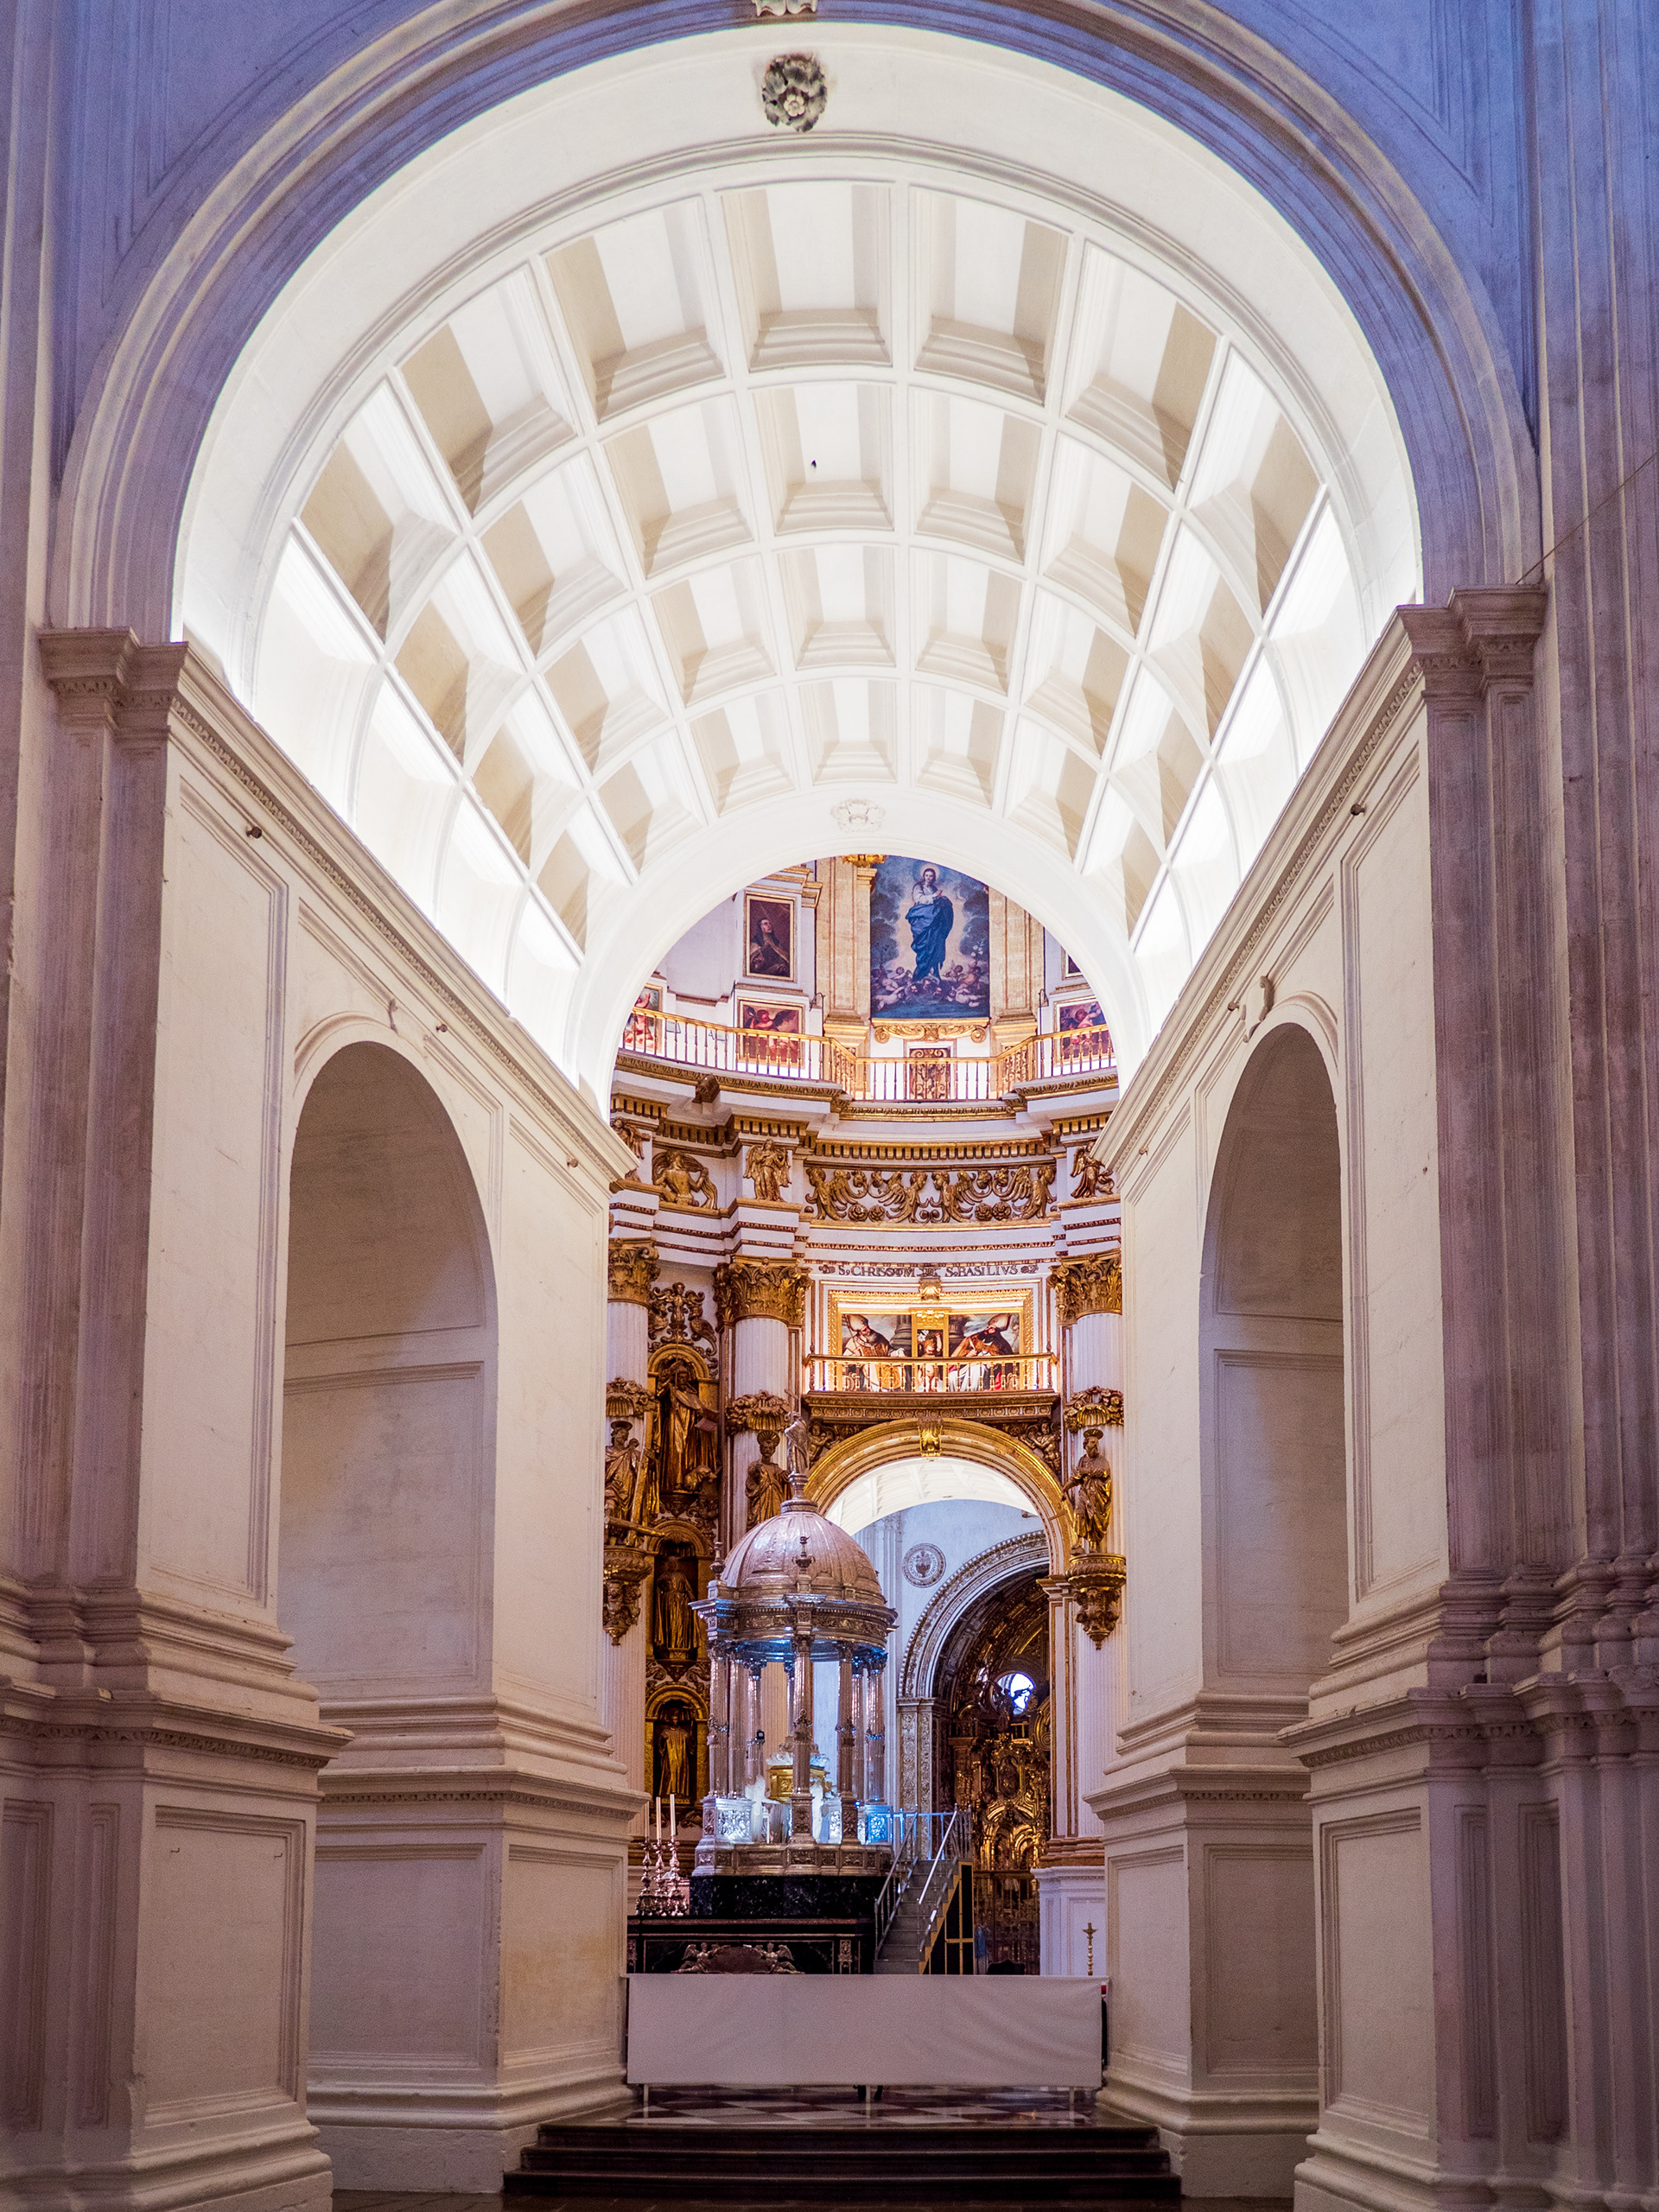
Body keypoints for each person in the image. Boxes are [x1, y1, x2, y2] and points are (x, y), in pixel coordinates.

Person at [905, 865, 955, 988]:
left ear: (934, 878)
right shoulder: (919, 887)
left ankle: (935, 974)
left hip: (933, 923)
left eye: (931, 876)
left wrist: (940, 899)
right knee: (925, 948)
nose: (928, 878)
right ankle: (920, 976)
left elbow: (937, 903)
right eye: (926, 875)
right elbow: (919, 899)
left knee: (936, 946)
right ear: (923, 876)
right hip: (922, 920)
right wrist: (934, 896)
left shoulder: (933, 888)